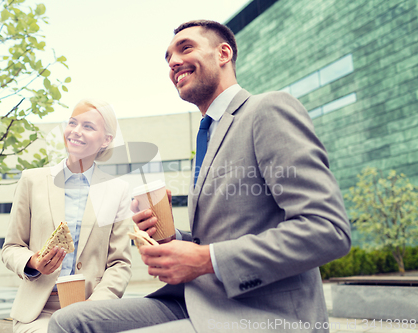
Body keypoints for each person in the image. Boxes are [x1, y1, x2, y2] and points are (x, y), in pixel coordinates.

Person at [48, 20, 351, 333]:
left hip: (261, 312)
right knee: (68, 321)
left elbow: (328, 230)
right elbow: (218, 238)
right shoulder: (209, 134)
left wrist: (206, 259)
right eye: (167, 58)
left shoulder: (266, 110)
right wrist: (172, 239)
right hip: (197, 299)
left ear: (223, 53)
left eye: (185, 48)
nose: (173, 62)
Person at [2, 99, 132, 333]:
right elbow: (12, 247)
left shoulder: (118, 191)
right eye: (72, 123)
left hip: (92, 310)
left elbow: (120, 264)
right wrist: (34, 262)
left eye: (88, 126)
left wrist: (93, 307)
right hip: (39, 312)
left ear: (106, 140)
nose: (75, 131)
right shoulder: (32, 180)